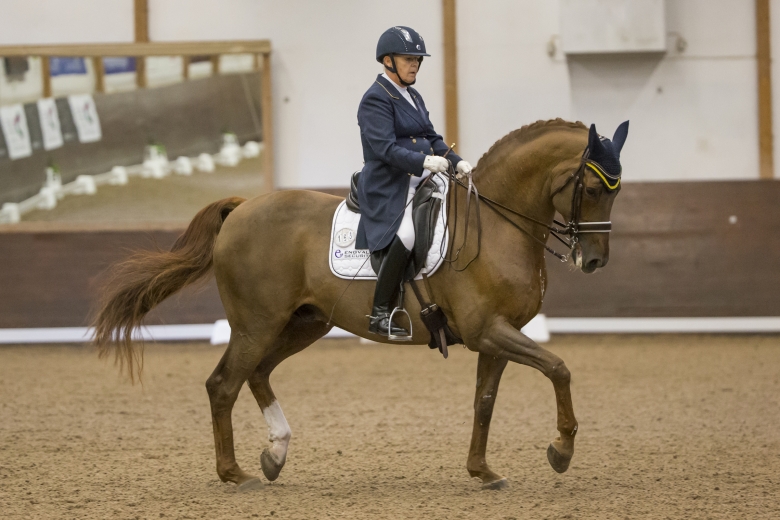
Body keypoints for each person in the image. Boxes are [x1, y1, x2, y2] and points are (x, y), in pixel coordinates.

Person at [355, 26, 473, 338]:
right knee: (406, 234)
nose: (415, 65)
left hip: (421, 180)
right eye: (409, 59)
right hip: (389, 185)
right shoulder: (375, 98)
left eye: (418, 60)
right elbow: (383, 149)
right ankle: (380, 312)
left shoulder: (413, 94)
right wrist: (423, 161)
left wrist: (456, 159)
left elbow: (431, 136)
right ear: (388, 61)